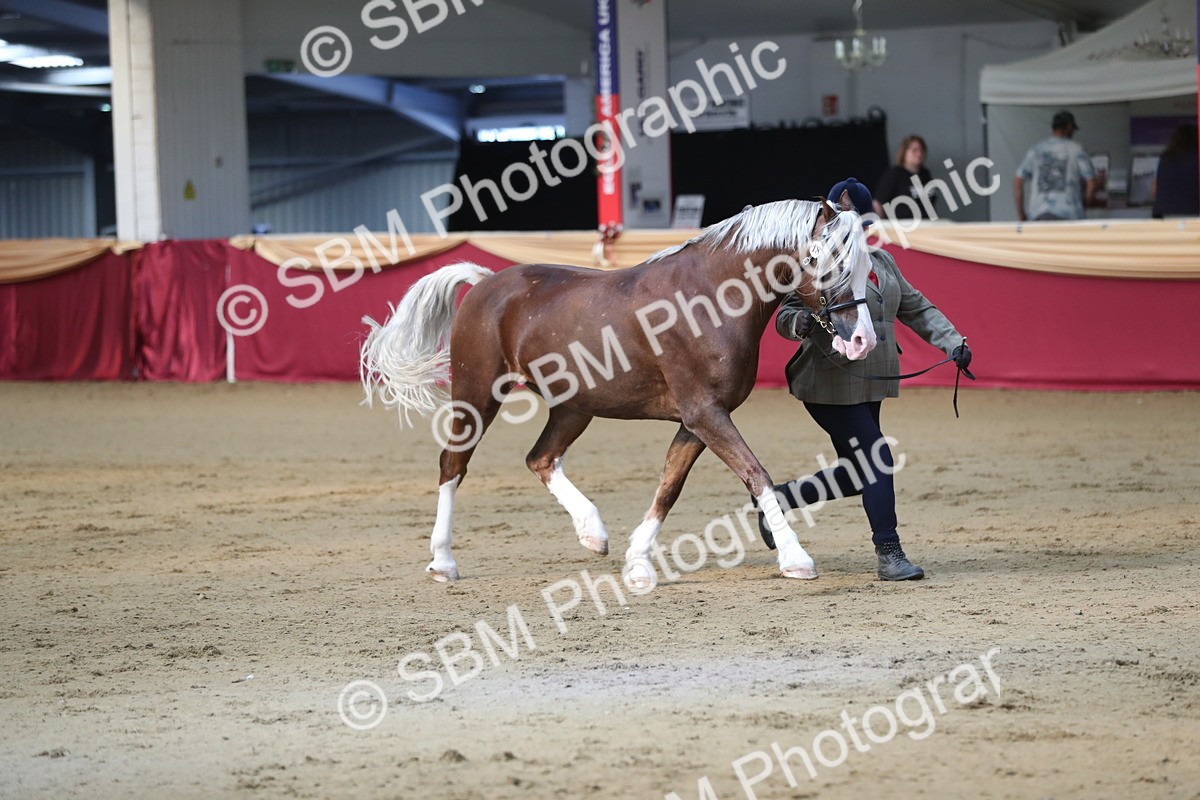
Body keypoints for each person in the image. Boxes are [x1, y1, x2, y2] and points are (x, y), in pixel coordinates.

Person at [758, 177, 972, 581]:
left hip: (872, 381)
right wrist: (799, 322)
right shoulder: (816, 261)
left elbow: (917, 308)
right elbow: (785, 313)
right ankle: (889, 553)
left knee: (859, 471)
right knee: (877, 460)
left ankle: (781, 500)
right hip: (828, 381)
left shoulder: (883, 264)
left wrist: (952, 343)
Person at [1014, 110, 1097, 221]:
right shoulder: (1076, 149)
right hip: (1069, 216)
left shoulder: (1036, 150)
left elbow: (1018, 181)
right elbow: (1091, 181)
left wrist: (1021, 214)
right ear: (1069, 127)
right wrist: (1085, 203)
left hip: (1039, 215)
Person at [873, 135, 937, 219]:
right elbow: (878, 203)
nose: (919, 154)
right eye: (914, 150)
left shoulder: (925, 174)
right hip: (903, 226)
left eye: (921, 150)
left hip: (926, 225)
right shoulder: (895, 174)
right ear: (904, 152)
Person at [1152, 123, 1199, 218]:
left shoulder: (1166, 158)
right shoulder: (1196, 158)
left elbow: (1154, 189)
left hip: (1165, 212)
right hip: (1194, 210)